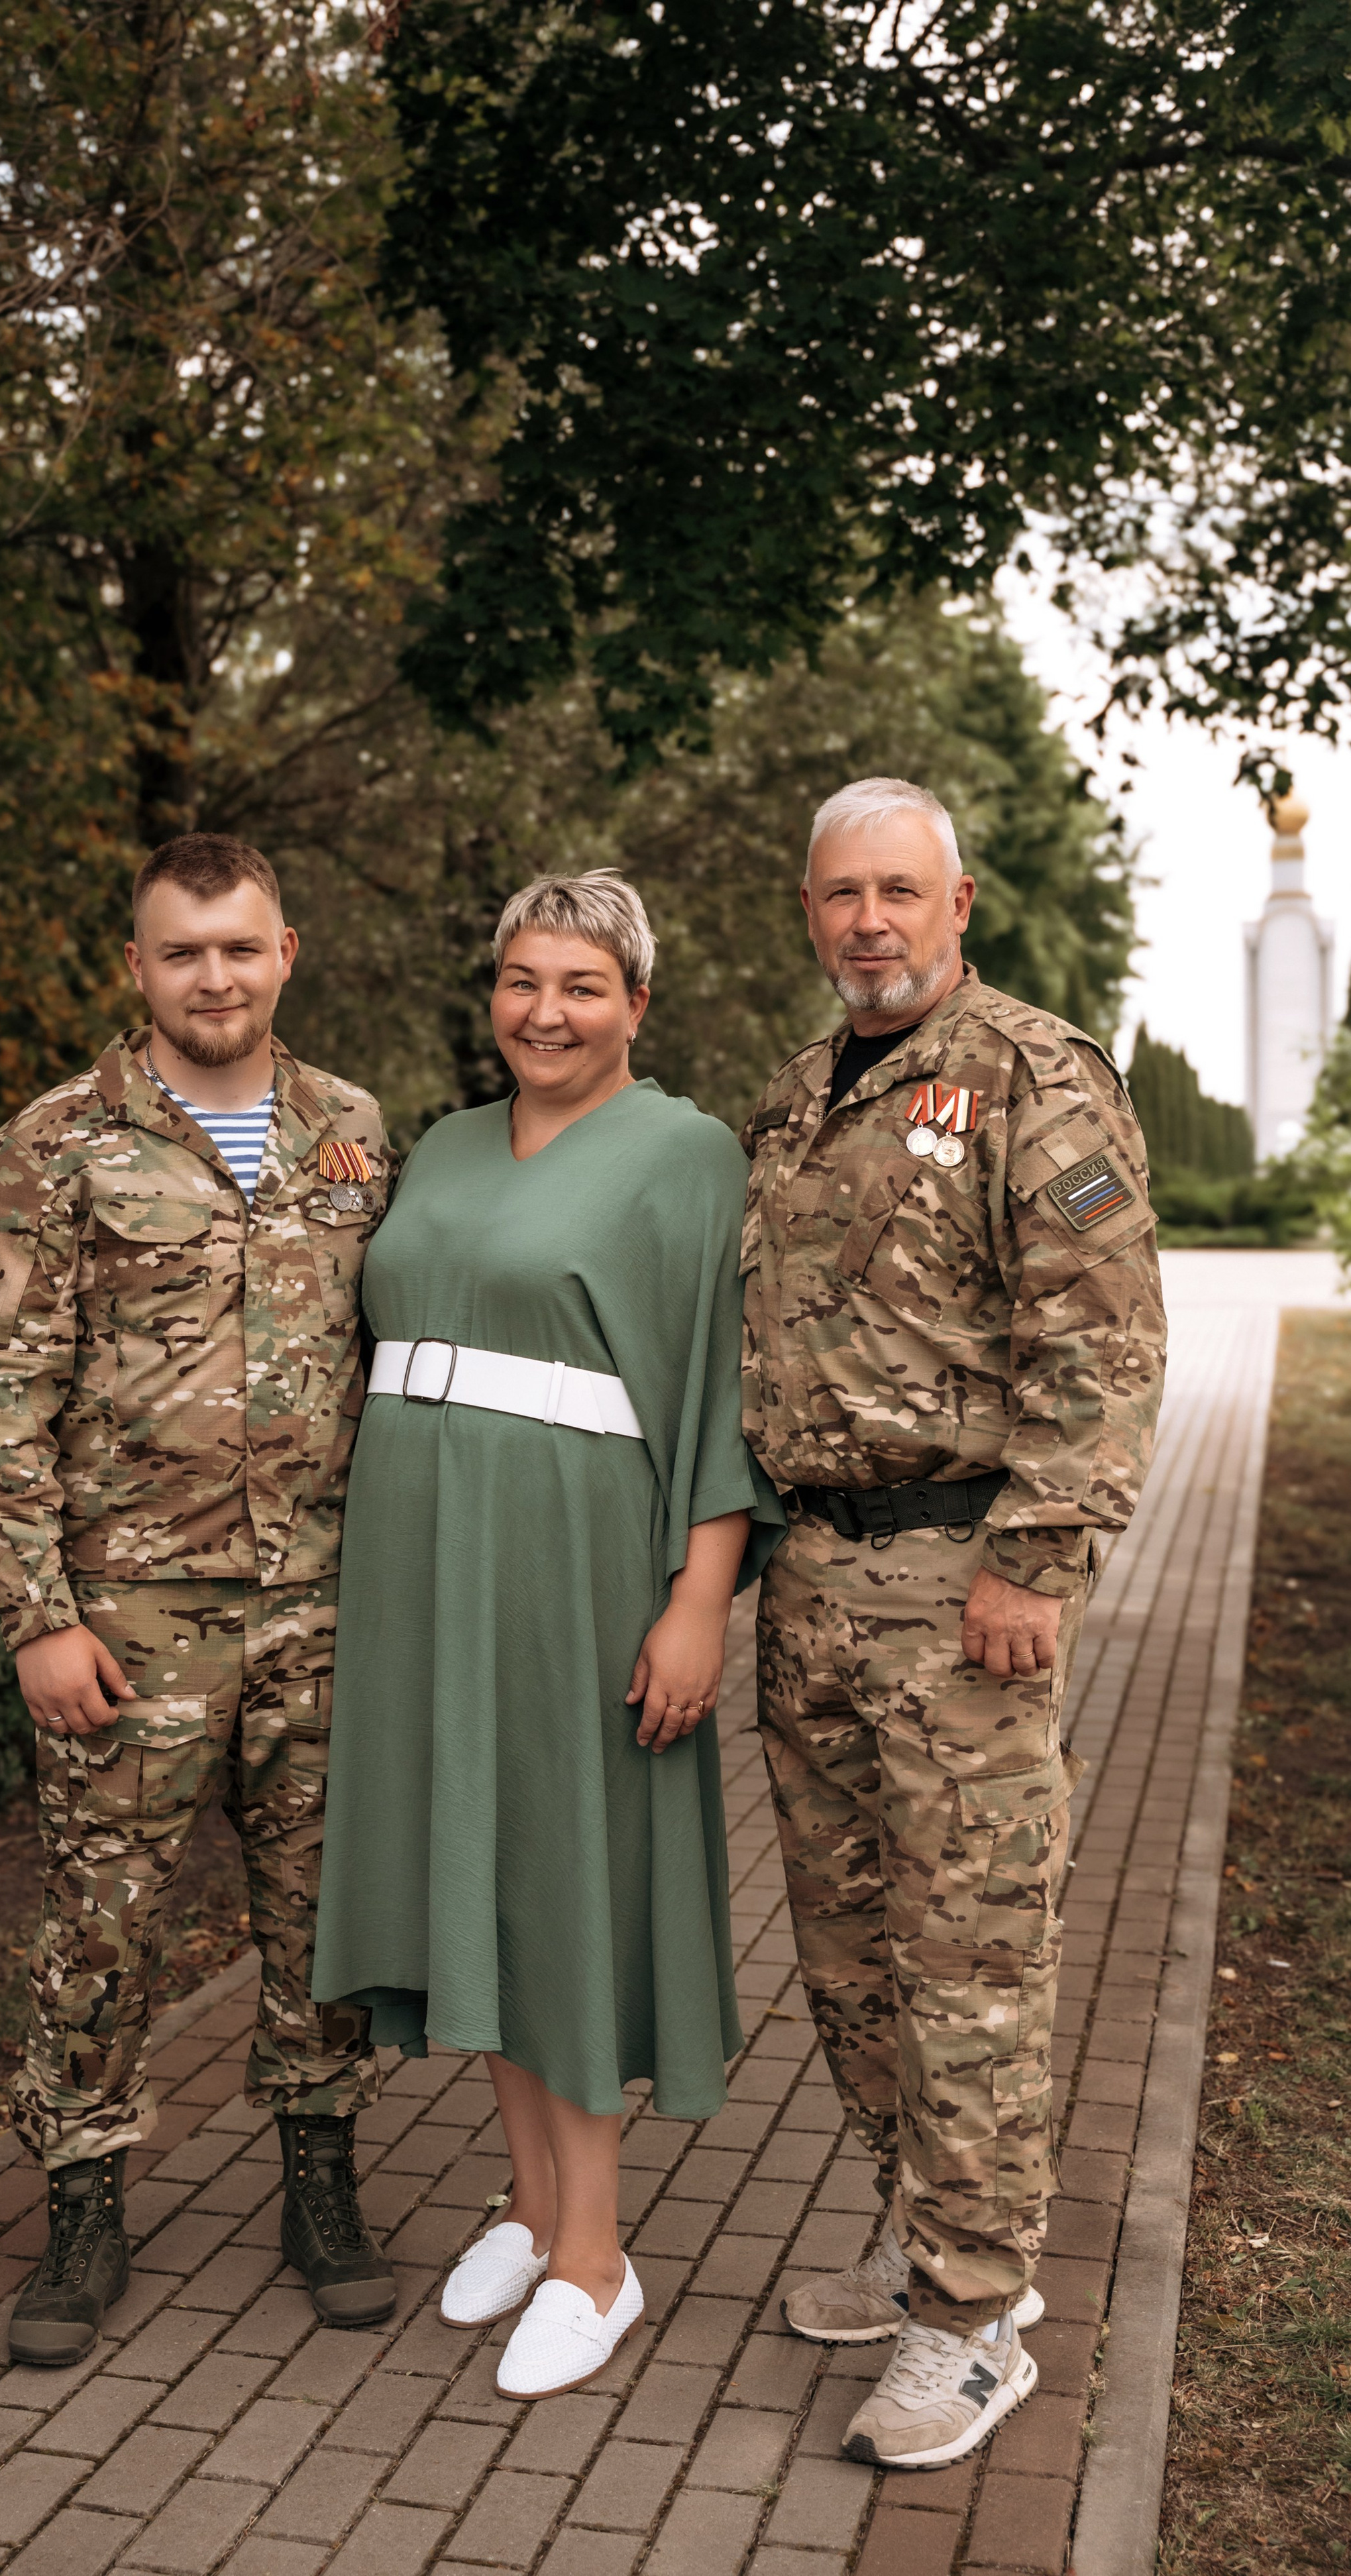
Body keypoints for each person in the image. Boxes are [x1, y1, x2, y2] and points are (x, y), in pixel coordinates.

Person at [740, 777, 1166, 2469]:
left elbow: (1103, 1340)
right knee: (848, 1957)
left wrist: (1036, 1561)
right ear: (807, 909)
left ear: (957, 902)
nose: (869, 921)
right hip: (811, 1586)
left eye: (898, 891)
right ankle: (916, 2230)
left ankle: (978, 2317)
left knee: (971, 1966)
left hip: (959, 1593)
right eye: (841, 893)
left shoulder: (1031, 1077)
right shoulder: (794, 1097)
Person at [312, 869, 781, 2402]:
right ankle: (525, 2210)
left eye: (580, 985)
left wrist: (696, 1601)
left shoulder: (687, 1155)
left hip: (577, 1565)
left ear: (635, 1002)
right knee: (485, 1878)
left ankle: (595, 2258)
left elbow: (715, 1387)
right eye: (521, 980)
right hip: (422, 1565)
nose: (545, 1012)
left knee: (566, 1884)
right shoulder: (441, 1144)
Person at [0, 832, 396, 2365]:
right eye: (183, 952)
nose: (214, 978)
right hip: (129, 1624)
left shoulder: (352, 1134)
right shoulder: (52, 1145)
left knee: (321, 1917)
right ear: (136, 966)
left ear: (286, 955)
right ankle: (81, 2208)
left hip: (321, 1605)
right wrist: (37, 1616)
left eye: (239, 947)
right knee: (104, 1926)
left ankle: (321, 2187)